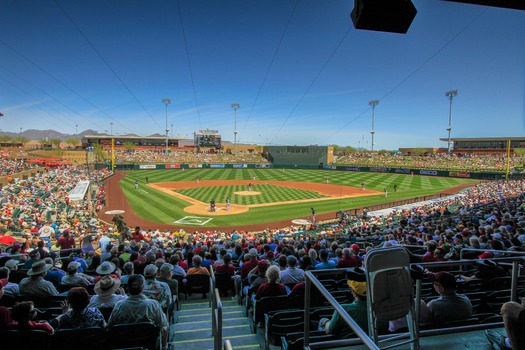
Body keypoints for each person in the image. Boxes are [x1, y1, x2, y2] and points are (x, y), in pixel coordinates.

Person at [319, 268, 386, 336]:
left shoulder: (343, 310)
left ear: (353, 291)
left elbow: (330, 331)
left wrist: (325, 322)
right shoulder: (383, 309)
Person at [108, 274, 168, 349]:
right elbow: (163, 327)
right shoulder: (153, 305)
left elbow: (110, 326)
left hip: (124, 345)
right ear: (143, 287)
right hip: (149, 345)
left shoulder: (119, 306)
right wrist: (164, 347)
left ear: (128, 288)